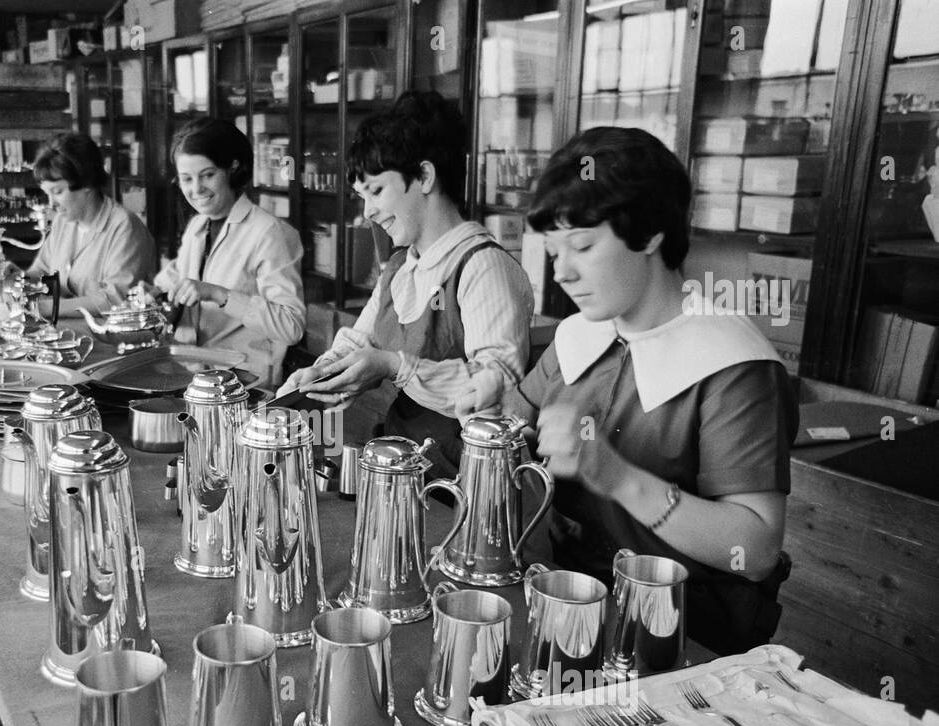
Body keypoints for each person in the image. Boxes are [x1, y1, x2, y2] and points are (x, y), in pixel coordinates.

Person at [463, 126, 797, 654]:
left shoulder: (734, 366)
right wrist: (492, 395)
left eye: (583, 245)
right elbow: (518, 416)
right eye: (552, 251)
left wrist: (615, 475)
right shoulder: (580, 335)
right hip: (565, 601)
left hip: (681, 636)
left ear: (650, 232)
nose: (563, 272)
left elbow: (753, 548)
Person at [280, 91, 533, 480]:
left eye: (377, 191)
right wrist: (322, 373)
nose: (368, 212)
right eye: (362, 197)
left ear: (425, 177)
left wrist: (395, 366)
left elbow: (497, 391)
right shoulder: (401, 265)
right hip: (403, 462)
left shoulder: (483, 267)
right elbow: (359, 341)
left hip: (463, 479)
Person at [152, 117, 306, 387]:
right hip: (191, 376)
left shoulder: (268, 232)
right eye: (187, 179)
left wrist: (219, 295)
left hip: (244, 383)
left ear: (232, 168)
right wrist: (153, 293)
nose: (196, 189)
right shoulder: (198, 225)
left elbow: (291, 326)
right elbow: (175, 278)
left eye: (208, 175)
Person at [26, 132, 156, 319]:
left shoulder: (124, 228)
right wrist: (17, 280)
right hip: (68, 335)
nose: (51, 203)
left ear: (86, 183)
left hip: (111, 340)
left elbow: (113, 299)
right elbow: (42, 271)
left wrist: (46, 308)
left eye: (58, 191)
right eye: (47, 194)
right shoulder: (63, 221)